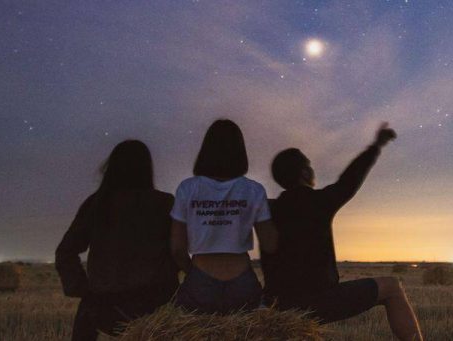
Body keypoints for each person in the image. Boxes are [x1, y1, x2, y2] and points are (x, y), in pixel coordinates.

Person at [263, 122, 423, 341]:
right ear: (304, 172)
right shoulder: (319, 202)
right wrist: (376, 146)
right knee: (392, 287)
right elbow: (350, 179)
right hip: (317, 302)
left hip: (278, 304)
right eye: (309, 166)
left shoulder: (268, 208)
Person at [55, 140, 179, 341]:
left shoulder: (97, 204)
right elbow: (179, 250)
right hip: (157, 307)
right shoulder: (164, 203)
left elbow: (65, 252)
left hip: (105, 308)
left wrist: (84, 291)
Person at [170, 119, 278, 315]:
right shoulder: (254, 190)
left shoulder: (187, 188)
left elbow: (177, 249)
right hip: (242, 280)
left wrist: (193, 273)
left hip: (200, 278)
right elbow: (270, 244)